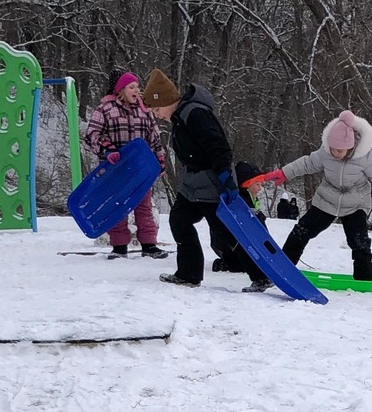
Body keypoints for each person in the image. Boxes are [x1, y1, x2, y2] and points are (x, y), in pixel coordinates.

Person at [141, 68, 273, 292]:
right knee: (179, 220)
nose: (156, 114)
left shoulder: (194, 114)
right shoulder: (180, 117)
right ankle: (189, 274)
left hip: (212, 183)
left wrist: (224, 176)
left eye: (156, 109)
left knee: (227, 232)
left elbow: (218, 146)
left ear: (167, 100)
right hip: (193, 184)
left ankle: (261, 276)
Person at [261, 110, 372, 281]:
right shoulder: (325, 152)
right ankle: (283, 269)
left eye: (341, 151)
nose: (336, 153)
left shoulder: (365, 156)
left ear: (351, 146)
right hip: (326, 201)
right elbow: (307, 163)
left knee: (359, 243)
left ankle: (363, 280)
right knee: (300, 232)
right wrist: (285, 172)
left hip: (355, 204)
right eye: (334, 149)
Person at [84, 69, 169, 259]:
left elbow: (154, 138)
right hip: (115, 169)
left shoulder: (144, 111)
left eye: (138, 87)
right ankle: (119, 246)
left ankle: (149, 245)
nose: (137, 90)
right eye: (132, 87)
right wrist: (107, 150)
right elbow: (92, 134)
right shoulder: (105, 109)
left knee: (144, 206)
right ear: (121, 90)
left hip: (140, 169)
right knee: (117, 207)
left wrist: (159, 160)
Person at [210, 160, 267, 273]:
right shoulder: (239, 202)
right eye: (257, 184)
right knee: (240, 267)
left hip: (242, 246)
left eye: (260, 184)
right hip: (230, 247)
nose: (260, 188)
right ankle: (224, 263)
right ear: (246, 185)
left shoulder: (251, 199)